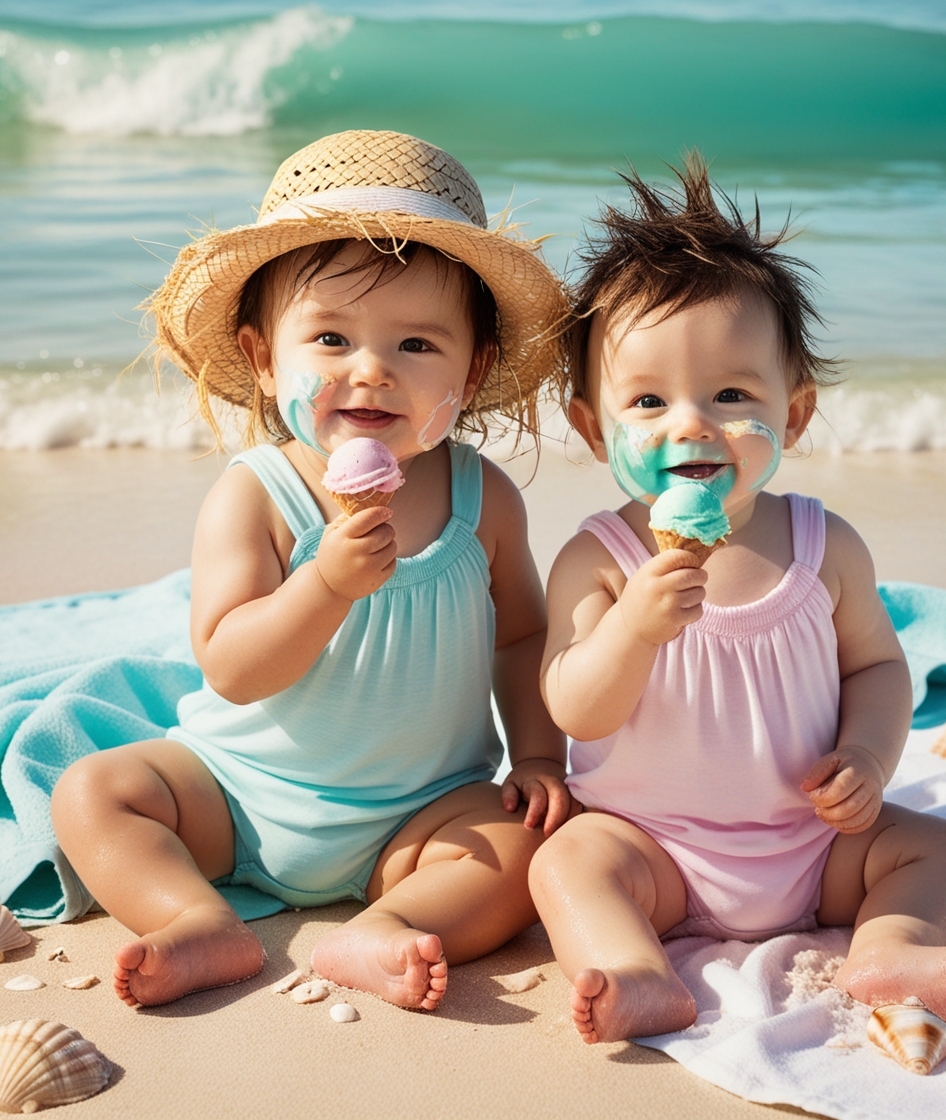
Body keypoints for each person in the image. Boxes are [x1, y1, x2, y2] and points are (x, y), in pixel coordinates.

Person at [51, 130, 574, 1010]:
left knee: (531, 846)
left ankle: (388, 925)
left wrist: (536, 755)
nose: (371, 370)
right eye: (330, 338)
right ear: (265, 359)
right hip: (237, 796)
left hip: (420, 815)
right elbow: (231, 666)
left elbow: (522, 635)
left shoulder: (482, 500)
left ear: (473, 368)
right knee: (93, 791)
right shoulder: (258, 494)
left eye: (417, 345)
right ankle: (195, 917)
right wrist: (324, 585)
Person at [528, 156, 946, 1044]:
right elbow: (574, 705)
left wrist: (867, 758)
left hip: (815, 845)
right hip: (655, 848)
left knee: (944, 849)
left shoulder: (824, 546)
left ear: (793, 414)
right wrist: (633, 628)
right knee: (566, 862)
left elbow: (878, 666)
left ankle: (892, 950)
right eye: (648, 400)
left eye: (731, 394)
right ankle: (637, 970)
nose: (690, 422)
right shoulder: (599, 561)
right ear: (593, 428)